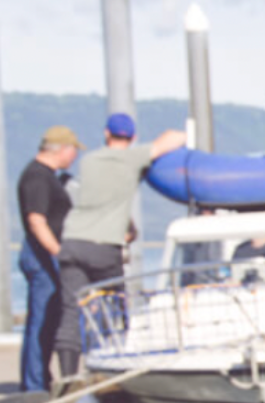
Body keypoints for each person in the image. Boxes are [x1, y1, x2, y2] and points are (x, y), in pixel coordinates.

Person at [54, 113, 186, 377]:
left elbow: (107, 198)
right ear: (133, 137)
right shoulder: (133, 158)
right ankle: (111, 368)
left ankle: (67, 379)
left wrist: (130, 226)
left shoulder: (89, 161)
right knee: (113, 306)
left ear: (106, 133)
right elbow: (175, 138)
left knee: (71, 310)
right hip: (104, 246)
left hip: (73, 240)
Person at [16, 125, 83, 391]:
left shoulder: (49, 177)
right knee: (41, 320)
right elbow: (36, 221)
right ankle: (34, 385)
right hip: (41, 256)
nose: (75, 157)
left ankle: (39, 378)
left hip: (46, 254)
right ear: (63, 150)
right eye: (74, 151)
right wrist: (59, 253)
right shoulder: (37, 177)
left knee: (50, 318)